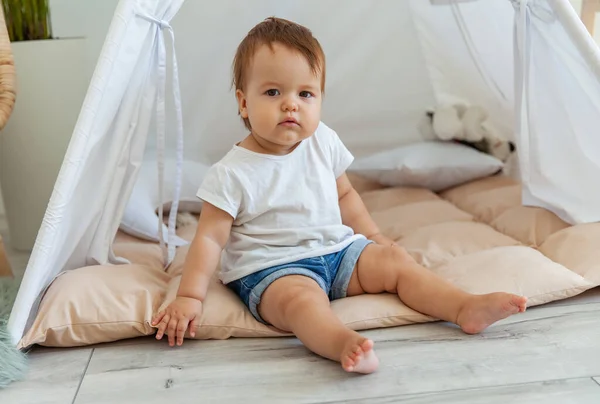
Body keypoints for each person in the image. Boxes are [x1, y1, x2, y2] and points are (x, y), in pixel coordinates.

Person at [152, 17, 527, 374]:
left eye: (305, 93)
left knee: (396, 264)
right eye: (272, 92)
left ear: (319, 99)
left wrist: (376, 240)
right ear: (244, 103)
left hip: (338, 252)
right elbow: (210, 237)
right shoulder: (231, 172)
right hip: (274, 269)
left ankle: (463, 307)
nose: (291, 104)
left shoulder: (323, 141)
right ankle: (341, 341)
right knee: (301, 302)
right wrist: (190, 296)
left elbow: (346, 195)